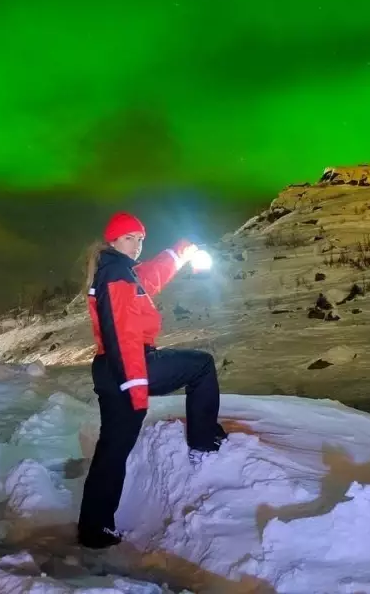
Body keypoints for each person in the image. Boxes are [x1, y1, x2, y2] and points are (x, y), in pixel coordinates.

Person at [76, 211, 226, 549]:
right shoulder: (116, 272)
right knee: (202, 366)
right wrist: (135, 384)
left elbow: (153, 277)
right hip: (130, 363)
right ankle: (204, 440)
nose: (137, 245)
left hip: (110, 368)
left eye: (141, 239)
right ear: (113, 239)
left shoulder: (121, 270)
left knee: (112, 450)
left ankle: (94, 529)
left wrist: (179, 252)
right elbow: (121, 331)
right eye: (130, 238)